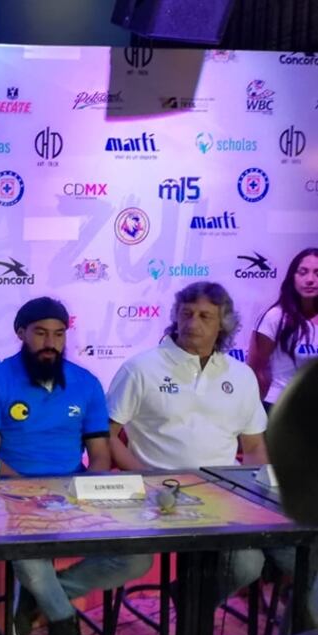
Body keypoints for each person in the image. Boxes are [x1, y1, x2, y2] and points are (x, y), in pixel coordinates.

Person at [0, 297, 151, 635]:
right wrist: (27, 489)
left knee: (137, 558)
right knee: (32, 549)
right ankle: (62, 620)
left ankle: (40, 598)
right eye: (40, 333)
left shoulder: (86, 383)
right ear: (21, 333)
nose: (50, 342)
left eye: (58, 334)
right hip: (12, 494)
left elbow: (100, 452)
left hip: (74, 493)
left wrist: (92, 487)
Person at [106, 281, 292, 602]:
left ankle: (191, 602)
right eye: (186, 313)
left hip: (223, 497)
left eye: (206, 316)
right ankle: (196, 623)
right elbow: (104, 437)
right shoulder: (140, 368)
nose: (193, 323)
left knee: (252, 564)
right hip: (158, 497)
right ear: (175, 316)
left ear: (223, 324)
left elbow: (253, 448)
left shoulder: (241, 375)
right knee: (245, 563)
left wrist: (257, 498)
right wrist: (148, 481)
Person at [247, 247, 318, 410]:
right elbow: (256, 369)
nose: (310, 279)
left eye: (317, 273)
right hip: (280, 408)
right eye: (303, 272)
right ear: (292, 277)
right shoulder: (275, 317)